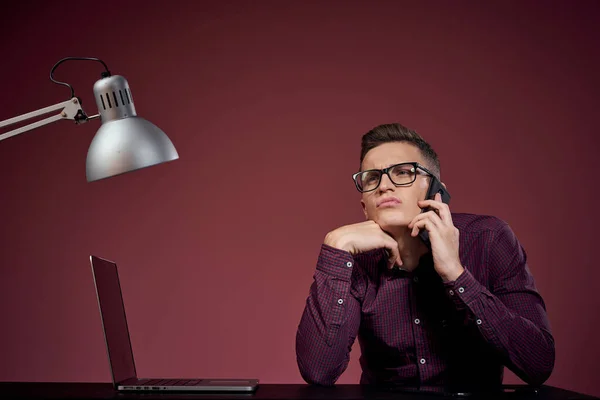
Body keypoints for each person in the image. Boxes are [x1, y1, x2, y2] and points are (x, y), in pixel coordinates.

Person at [295, 123, 555, 389]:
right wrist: (335, 245)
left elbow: (538, 363)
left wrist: (456, 274)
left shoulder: (488, 239)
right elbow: (319, 371)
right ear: (364, 206)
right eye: (372, 178)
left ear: (436, 192)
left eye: (403, 172)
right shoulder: (356, 262)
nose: (384, 186)